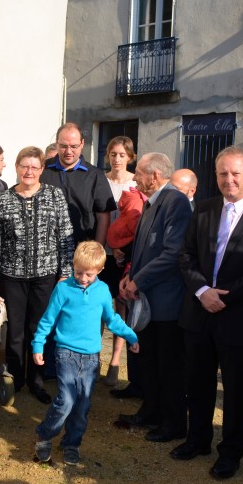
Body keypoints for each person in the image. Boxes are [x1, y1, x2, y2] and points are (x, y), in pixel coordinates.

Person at [173, 146, 243, 480]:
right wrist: (203, 292)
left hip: (238, 317)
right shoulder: (203, 210)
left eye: (235, 173)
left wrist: (225, 298)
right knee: (197, 383)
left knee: (235, 391)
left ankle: (231, 453)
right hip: (199, 313)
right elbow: (186, 255)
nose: (228, 179)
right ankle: (198, 439)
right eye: (222, 173)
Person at [32, 241, 139, 465]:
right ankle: (44, 435)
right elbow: (47, 320)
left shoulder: (102, 291)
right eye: (78, 272)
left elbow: (112, 319)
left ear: (100, 270)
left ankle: (72, 443)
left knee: (82, 405)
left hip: (91, 357)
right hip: (66, 353)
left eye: (88, 274)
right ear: (73, 266)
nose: (82, 278)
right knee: (66, 399)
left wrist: (131, 336)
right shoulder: (63, 289)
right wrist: (38, 344)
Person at [0, 146, 74, 403]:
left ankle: (37, 380)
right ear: (16, 167)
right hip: (11, 276)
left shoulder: (54, 196)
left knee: (40, 329)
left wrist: (65, 272)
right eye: (24, 166)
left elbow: (66, 237)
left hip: (46, 275)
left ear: (42, 170)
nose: (29, 171)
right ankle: (15, 379)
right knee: (15, 332)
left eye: (35, 167)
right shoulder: (2, 200)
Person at [116, 153, 192, 442]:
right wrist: (130, 273)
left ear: (154, 176)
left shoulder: (175, 202)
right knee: (149, 360)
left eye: (139, 173)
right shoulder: (152, 201)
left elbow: (172, 253)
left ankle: (173, 424)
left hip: (166, 302)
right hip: (147, 297)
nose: (134, 178)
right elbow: (144, 247)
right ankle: (151, 411)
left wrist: (138, 280)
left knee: (169, 366)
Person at [101, 136, 138, 388]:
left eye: (121, 155)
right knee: (98, 308)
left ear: (130, 157)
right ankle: (94, 359)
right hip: (102, 253)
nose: (117, 159)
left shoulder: (137, 183)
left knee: (121, 308)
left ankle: (115, 362)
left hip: (125, 255)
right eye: (113, 154)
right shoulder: (100, 180)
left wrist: (122, 248)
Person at [41, 122, 115, 245]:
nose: (68, 151)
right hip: (47, 250)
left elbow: (103, 217)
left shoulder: (95, 175)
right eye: (64, 146)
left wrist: (97, 250)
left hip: (82, 251)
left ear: (82, 144)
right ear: (57, 144)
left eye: (74, 146)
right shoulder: (42, 170)